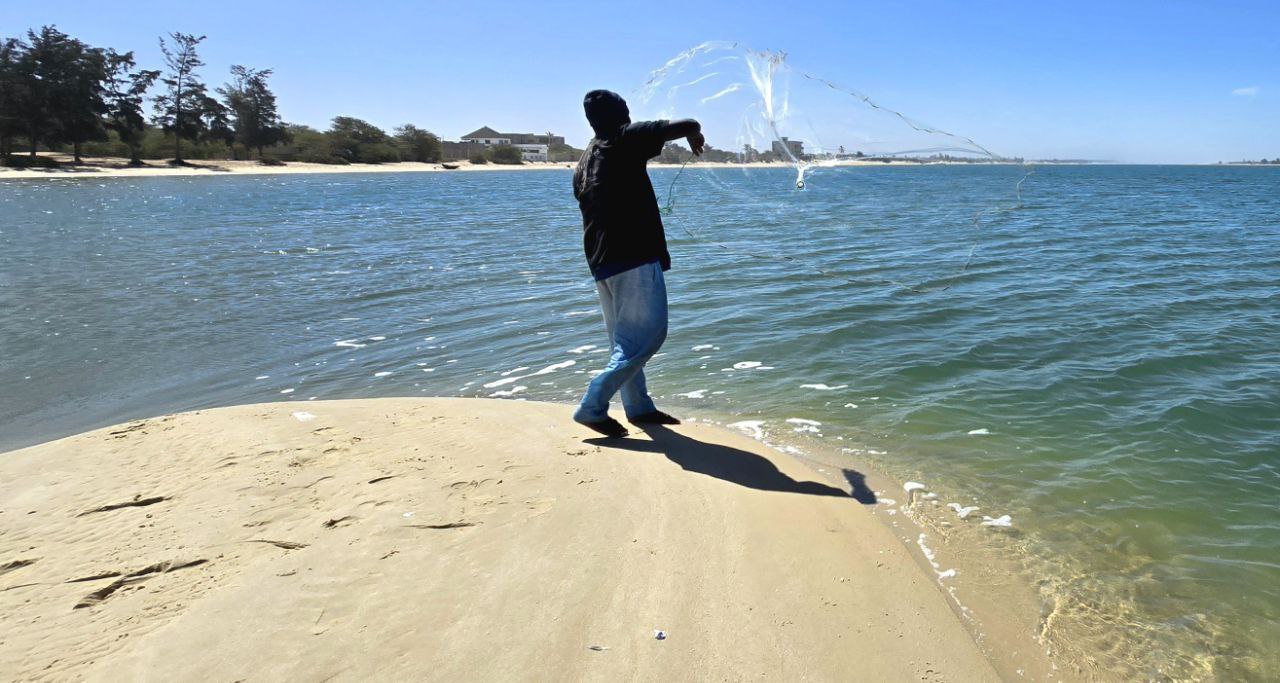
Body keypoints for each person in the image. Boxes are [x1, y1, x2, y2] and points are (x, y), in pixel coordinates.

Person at [571, 89, 704, 438]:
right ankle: (592, 405)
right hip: (632, 256)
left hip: (601, 262)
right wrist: (694, 133)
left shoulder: (587, 157)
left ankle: (639, 408)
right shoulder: (621, 139)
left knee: (623, 340)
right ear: (621, 115)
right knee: (646, 337)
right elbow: (688, 122)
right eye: (627, 110)